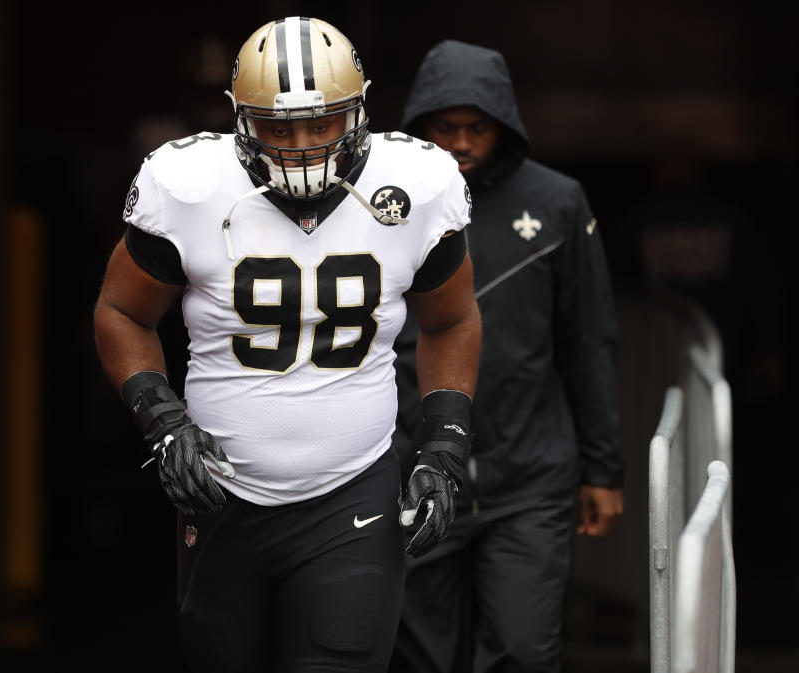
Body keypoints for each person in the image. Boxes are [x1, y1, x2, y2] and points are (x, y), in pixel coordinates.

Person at [93, 18, 482, 673]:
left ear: (359, 113)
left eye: (322, 124)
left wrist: (444, 445)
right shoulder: (189, 184)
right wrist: (160, 420)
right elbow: (121, 311)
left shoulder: (415, 185)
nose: (302, 146)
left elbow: (451, 320)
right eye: (278, 127)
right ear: (241, 120)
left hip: (352, 494)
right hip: (221, 502)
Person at [389, 41, 626, 673]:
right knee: (417, 658)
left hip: (529, 476)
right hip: (414, 471)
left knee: (521, 651)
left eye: (477, 128)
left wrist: (603, 467)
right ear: (419, 125)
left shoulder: (557, 202)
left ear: (504, 125)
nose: (462, 142)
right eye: (445, 128)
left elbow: (588, 337)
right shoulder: (380, 204)